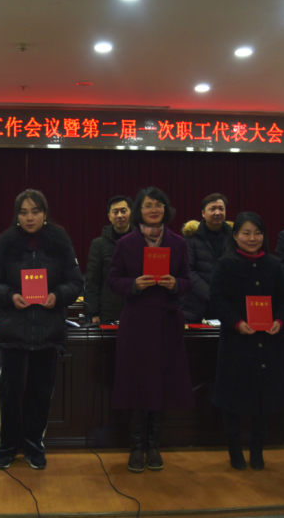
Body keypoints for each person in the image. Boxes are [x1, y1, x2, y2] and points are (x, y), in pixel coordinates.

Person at [0, 189, 83, 470]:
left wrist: (58, 296)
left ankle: (33, 445)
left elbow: (76, 283)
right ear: (17, 216)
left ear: (44, 214)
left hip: (48, 333)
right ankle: (7, 445)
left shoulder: (60, 243)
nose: (29, 217)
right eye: (24, 212)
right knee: (10, 393)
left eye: (35, 212)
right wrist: (10, 296)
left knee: (40, 394)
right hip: (13, 333)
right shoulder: (5, 244)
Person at [107, 187, 194, 473]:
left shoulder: (178, 243)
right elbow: (113, 280)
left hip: (167, 323)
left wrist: (175, 284)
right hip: (136, 321)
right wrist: (133, 284)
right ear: (139, 211)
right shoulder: (126, 243)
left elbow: (187, 280)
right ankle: (136, 447)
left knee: (161, 385)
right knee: (135, 385)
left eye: (158, 204)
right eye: (147, 205)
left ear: (165, 209)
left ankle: (153, 446)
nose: (154, 209)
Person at [209, 212, 284, 471]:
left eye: (257, 233)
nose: (252, 238)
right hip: (237, 343)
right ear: (235, 235)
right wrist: (236, 322)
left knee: (263, 400)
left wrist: (279, 320)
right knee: (232, 400)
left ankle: (257, 450)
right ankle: (235, 450)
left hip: (268, 343)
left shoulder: (274, 264)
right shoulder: (225, 264)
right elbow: (217, 299)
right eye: (246, 233)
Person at [180, 193, 231, 323]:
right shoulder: (191, 237)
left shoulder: (234, 237)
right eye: (212, 209)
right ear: (203, 213)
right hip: (195, 306)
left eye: (221, 208)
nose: (217, 212)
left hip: (227, 304)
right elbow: (188, 271)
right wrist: (210, 294)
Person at [84, 195, 133, 324]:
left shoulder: (141, 241)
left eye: (123, 211)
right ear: (109, 216)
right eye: (115, 212)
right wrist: (93, 312)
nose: (120, 215)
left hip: (136, 308)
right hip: (107, 312)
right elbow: (92, 281)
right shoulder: (98, 244)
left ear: (131, 213)